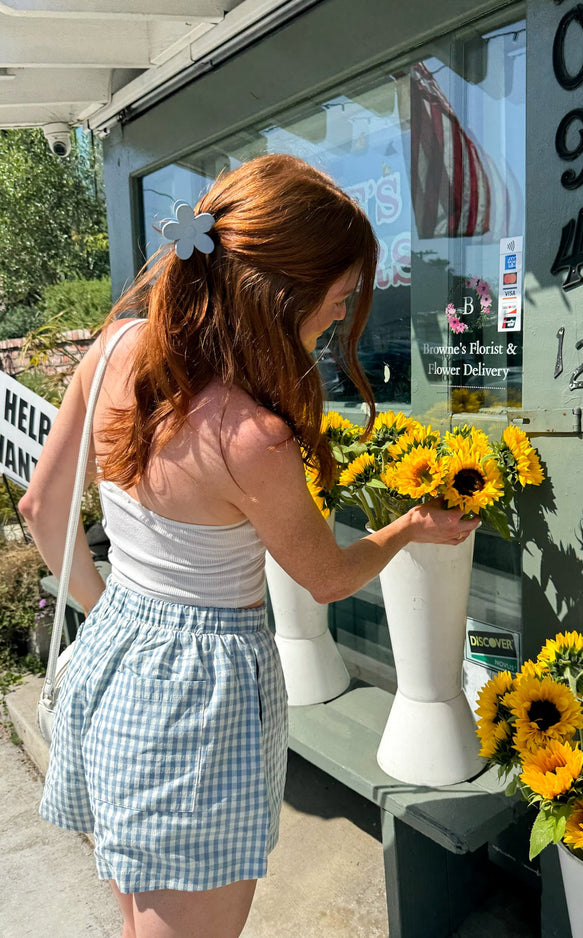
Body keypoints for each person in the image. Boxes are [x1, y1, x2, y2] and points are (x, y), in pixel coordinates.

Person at [19, 153, 480, 938]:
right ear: (280, 295)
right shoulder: (250, 437)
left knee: (141, 918)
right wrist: (407, 527)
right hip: (200, 699)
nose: (337, 321)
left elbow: (40, 508)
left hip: (115, 663)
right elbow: (326, 579)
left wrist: (120, 621)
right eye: (336, 302)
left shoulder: (117, 346)